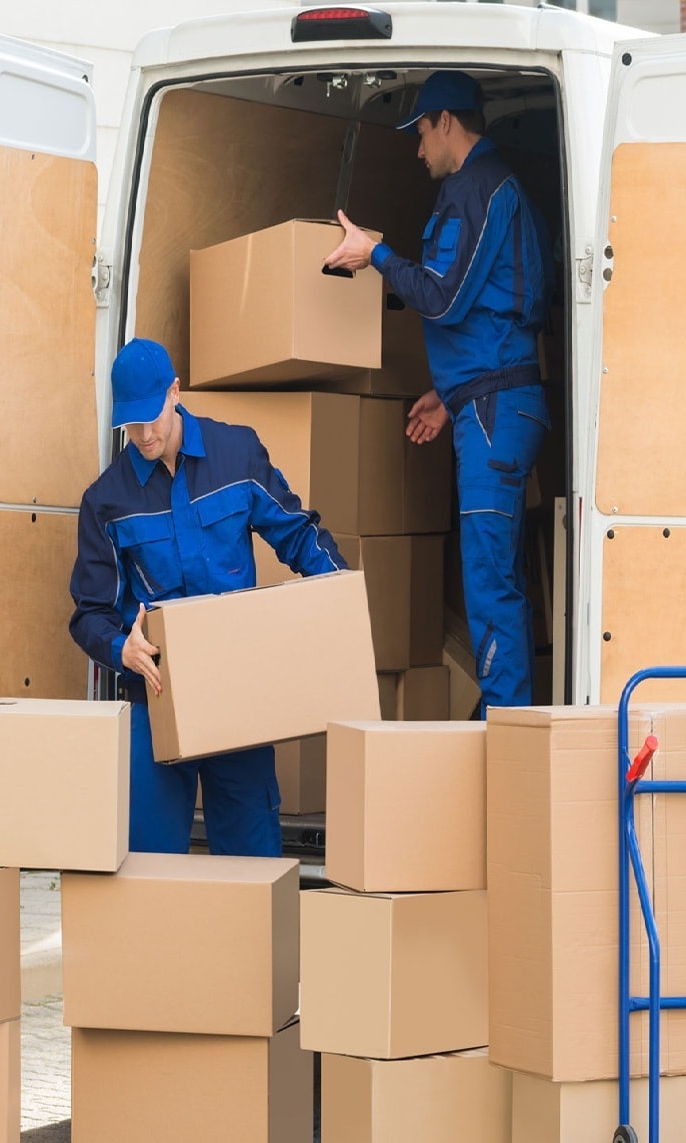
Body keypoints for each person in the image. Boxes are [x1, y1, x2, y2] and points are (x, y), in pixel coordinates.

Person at [325, 70, 552, 712]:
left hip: (494, 413)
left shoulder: (472, 189)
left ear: (447, 122)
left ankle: (504, 728)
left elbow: (442, 296)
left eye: (421, 132)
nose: (418, 149)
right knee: (498, 575)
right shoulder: (505, 189)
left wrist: (375, 254)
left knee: (488, 582)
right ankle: (503, 715)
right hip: (490, 403)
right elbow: (497, 308)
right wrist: (448, 394)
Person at [69, 337, 346, 856]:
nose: (144, 435)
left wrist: (342, 599)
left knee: (251, 862)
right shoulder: (106, 501)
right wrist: (118, 650)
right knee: (147, 864)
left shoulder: (236, 454)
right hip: (156, 696)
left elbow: (298, 535)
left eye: (152, 417)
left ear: (175, 392)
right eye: (131, 424)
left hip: (237, 694)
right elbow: (89, 614)